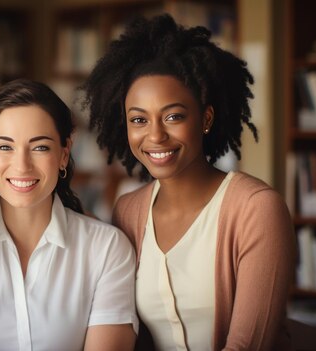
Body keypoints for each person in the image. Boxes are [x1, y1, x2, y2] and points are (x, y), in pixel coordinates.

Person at [81, 15, 296, 351]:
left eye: (173, 116)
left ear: (205, 118)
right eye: (139, 119)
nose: (155, 135)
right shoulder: (128, 211)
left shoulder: (256, 209)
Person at [0, 79, 138, 351]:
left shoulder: (106, 249)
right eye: (5, 147)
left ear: (64, 153)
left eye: (39, 147)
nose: (22, 165)